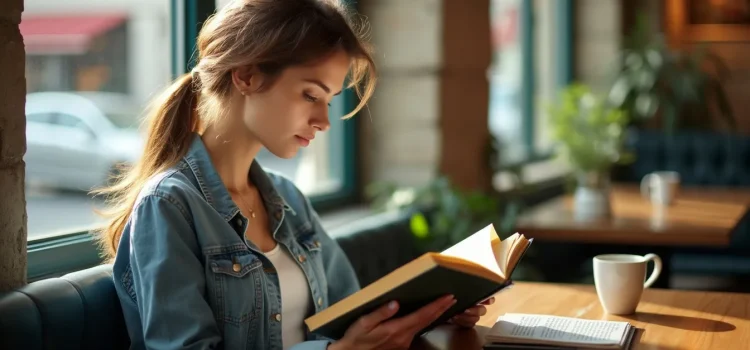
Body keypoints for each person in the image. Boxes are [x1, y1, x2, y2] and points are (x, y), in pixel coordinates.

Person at [95, 0, 493, 349]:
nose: (324, 121)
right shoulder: (169, 207)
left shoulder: (287, 198)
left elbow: (349, 313)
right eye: (310, 95)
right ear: (247, 75)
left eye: (329, 101)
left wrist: (429, 313)